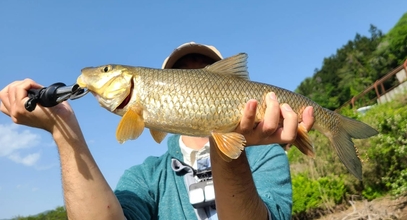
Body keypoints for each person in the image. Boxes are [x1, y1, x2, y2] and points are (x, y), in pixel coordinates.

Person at [0, 42, 315, 220]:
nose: (195, 78)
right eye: (182, 75)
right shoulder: (147, 177)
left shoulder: (266, 154)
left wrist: (230, 154)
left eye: (205, 74)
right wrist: (62, 130)